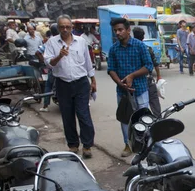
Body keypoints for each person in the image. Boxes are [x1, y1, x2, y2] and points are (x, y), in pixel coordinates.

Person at [44, 15, 96, 158]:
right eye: (62, 27)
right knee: (67, 116)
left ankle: (87, 145)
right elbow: (49, 63)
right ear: (58, 28)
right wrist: (59, 56)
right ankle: (73, 145)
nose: (65, 29)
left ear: (72, 27)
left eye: (68, 26)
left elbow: (87, 61)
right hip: (63, 83)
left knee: (83, 114)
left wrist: (93, 80)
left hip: (81, 83)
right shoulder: (52, 43)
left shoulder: (81, 41)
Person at [107, 18, 153, 157]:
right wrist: (120, 83)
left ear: (128, 30)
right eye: (115, 30)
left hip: (140, 89)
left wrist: (132, 76)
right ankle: (128, 144)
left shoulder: (139, 46)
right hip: (122, 91)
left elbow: (148, 66)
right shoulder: (113, 49)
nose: (118, 33)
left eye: (120, 30)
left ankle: (145, 144)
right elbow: (111, 69)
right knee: (125, 119)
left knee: (143, 118)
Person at [133, 27, 162, 118]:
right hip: (148, 79)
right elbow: (155, 64)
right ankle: (158, 120)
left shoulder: (131, 49)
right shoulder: (147, 48)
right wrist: (158, 76)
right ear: (143, 37)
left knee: (138, 105)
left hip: (136, 81)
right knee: (154, 102)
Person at [40, 24, 58, 112]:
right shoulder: (65, 39)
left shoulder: (49, 41)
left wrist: (45, 62)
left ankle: (45, 106)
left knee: (48, 86)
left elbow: (38, 52)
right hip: (58, 69)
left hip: (53, 69)